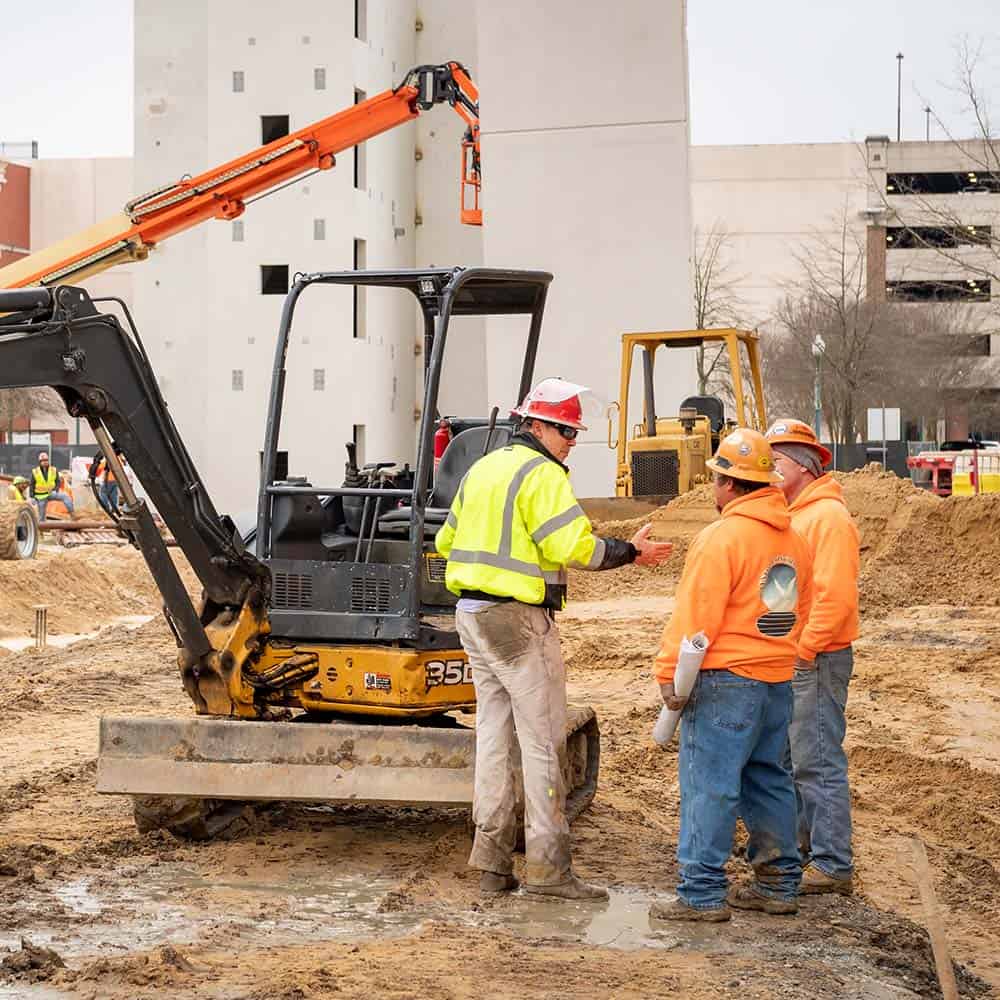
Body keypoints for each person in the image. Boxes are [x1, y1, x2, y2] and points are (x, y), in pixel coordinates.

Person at [435, 377, 674, 900]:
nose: (570, 440)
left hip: (471, 615)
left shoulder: (483, 468)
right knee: (543, 743)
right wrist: (630, 551)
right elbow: (575, 547)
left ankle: (493, 863)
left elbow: (445, 538)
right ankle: (548, 868)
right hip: (517, 621)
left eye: (573, 431)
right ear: (536, 425)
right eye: (564, 430)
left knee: (494, 738)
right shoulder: (543, 474)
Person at [651, 428, 813, 922]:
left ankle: (700, 894)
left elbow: (697, 617)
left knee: (709, 784)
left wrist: (668, 675)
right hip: (776, 678)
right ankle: (780, 884)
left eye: (715, 481)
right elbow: (795, 612)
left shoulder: (721, 538)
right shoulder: (793, 540)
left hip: (725, 682)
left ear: (728, 484)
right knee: (768, 780)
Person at [766, 418, 860, 896]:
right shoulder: (795, 516)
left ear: (802, 466)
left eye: (776, 460)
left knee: (817, 759)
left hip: (817, 658)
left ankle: (831, 863)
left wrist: (802, 650)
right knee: (795, 758)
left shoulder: (827, 519)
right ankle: (805, 849)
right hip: (794, 657)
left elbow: (835, 597)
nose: (768, 468)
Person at [30, 451, 74, 522]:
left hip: (51, 493)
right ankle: (42, 527)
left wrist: (56, 489)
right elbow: (32, 484)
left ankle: (72, 514)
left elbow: (57, 481)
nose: (45, 462)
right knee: (41, 513)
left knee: (65, 496)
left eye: (46, 460)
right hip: (41, 495)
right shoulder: (35, 472)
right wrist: (32, 496)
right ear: (40, 462)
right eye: (43, 461)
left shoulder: (53, 470)